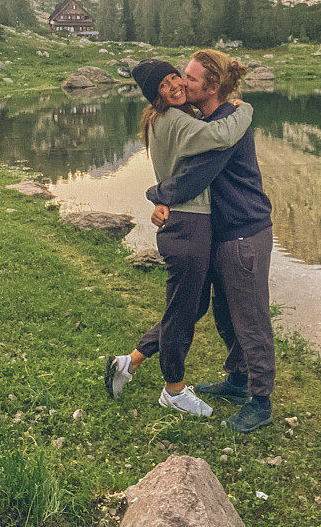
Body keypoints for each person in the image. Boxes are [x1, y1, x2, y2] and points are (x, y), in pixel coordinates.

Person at [104, 58, 253, 417]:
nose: (174, 86)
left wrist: (160, 198)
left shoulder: (166, 118)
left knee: (188, 307)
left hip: (182, 223)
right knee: (183, 312)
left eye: (176, 78)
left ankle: (129, 362)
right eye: (164, 86)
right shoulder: (174, 120)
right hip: (188, 224)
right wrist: (245, 109)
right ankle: (173, 389)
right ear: (154, 97)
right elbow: (222, 135)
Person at [146, 50, 275, 433]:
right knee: (226, 313)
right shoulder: (211, 119)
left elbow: (192, 179)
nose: (182, 83)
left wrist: (157, 195)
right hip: (222, 231)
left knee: (251, 318)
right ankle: (237, 380)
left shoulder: (227, 127)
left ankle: (261, 401)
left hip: (244, 232)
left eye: (190, 77)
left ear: (212, 87)